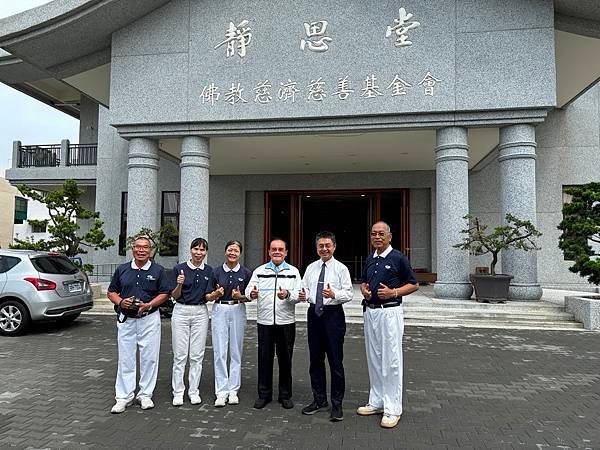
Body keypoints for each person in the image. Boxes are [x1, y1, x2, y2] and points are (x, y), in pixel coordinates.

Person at [357, 221, 419, 428]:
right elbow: (365, 282)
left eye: (381, 234)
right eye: (374, 233)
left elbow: (414, 284)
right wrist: (364, 290)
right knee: (373, 357)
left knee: (391, 360)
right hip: (371, 312)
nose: (377, 237)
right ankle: (376, 401)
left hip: (390, 313)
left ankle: (393, 409)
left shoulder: (398, 258)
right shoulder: (370, 258)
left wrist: (394, 292)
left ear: (389, 236)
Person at [107, 236, 171, 414]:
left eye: (145, 247)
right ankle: (123, 397)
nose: (141, 250)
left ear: (150, 250)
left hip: (149, 319)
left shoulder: (158, 270)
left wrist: (149, 304)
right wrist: (121, 302)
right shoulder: (122, 269)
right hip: (127, 320)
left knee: (149, 358)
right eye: (138, 247)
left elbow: (165, 293)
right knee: (126, 358)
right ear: (132, 249)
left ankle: (145, 395)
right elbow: (111, 292)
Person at [299, 231, 353, 422]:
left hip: (333, 316)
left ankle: (337, 404)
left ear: (334, 246)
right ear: (316, 247)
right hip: (314, 314)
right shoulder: (311, 268)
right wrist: (303, 294)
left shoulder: (341, 269)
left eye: (327, 245)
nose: (324, 249)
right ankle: (319, 399)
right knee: (315, 360)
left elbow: (349, 293)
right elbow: (304, 287)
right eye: (320, 246)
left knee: (336, 362)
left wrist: (334, 294)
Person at [246, 238, 302, 410]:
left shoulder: (293, 272)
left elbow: (299, 295)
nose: (277, 252)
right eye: (273, 249)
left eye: (280, 249)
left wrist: (288, 295)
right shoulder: (259, 271)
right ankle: (264, 395)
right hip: (265, 322)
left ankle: (285, 395)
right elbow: (249, 290)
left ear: (286, 252)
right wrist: (252, 294)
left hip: (286, 322)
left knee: (286, 360)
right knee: (264, 359)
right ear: (269, 252)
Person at [206, 240, 252, 407]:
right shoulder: (216, 272)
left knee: (235, 351)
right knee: (219, 351)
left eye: (236, 250)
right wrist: (215, 294)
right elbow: (208, 295)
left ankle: (233, 390)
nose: (233, 253)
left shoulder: (246, 273)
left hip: (238, 310)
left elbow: (250, 295)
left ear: (240, 253)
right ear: (225, 252)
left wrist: (241, 297)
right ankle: (221, 391)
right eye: (230, 250)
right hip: (220, 310)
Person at [170, 237, 213, 407]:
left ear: (206, 252)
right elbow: (174, 295)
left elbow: (208, 295)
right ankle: (178, 392)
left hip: (200, 312)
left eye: (202, 250)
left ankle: (193, 391)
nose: (199, 253)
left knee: (197, 355)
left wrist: (216, 294)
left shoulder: (209, 271)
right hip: (181, 311)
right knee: (180, 355)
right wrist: (179, 285)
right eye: (196, 249)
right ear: (191, 250)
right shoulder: (179, 269)